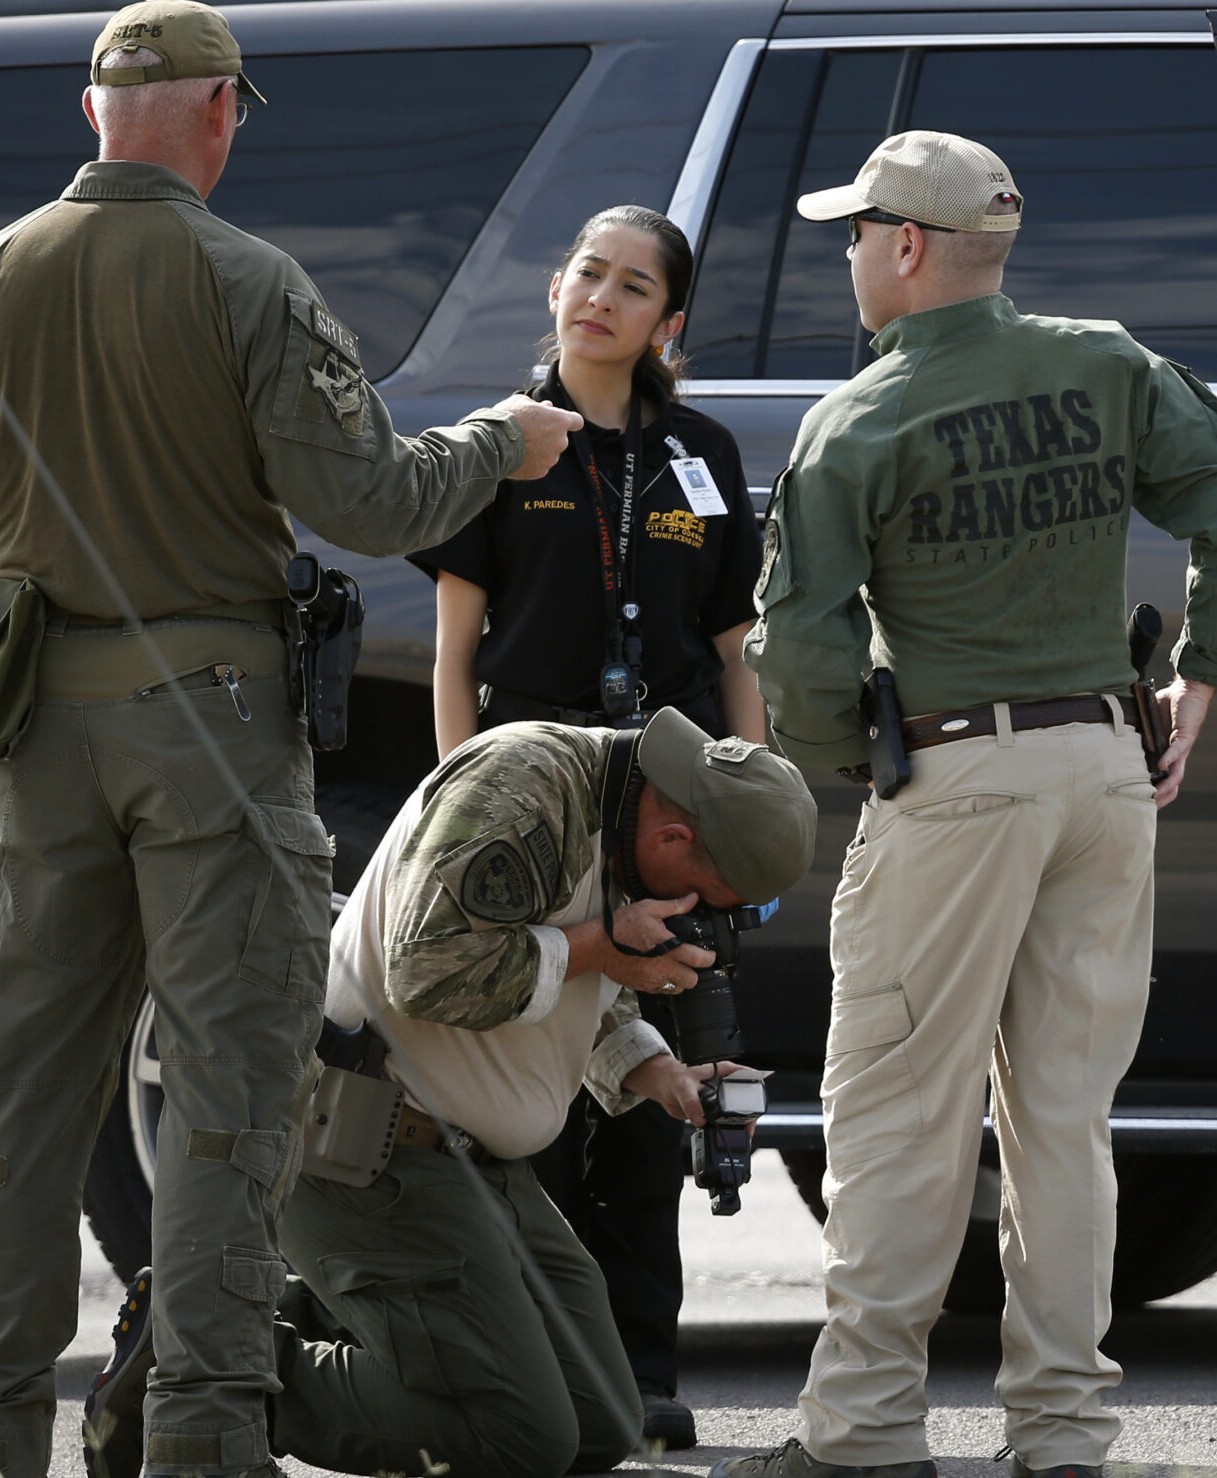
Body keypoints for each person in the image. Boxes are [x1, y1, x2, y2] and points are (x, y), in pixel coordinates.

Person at [0, 2, 581, 1475]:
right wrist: (504, 441)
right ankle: (201, 1431)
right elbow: (374, 500)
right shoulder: (247, 278)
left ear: (91, 111)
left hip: (30, 741)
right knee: (225, 1094)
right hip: (214, 737)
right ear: (219, 114)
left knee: (29, 1094)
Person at [725, 131, 1217, 1478]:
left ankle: (862, 1433)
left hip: (956, 771)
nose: (850, 255)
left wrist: (852, 766)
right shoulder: (1104, 360)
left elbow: (794, 642)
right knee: (1066, 1122)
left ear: (908, 248)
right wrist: (1205, 680)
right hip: (1104, 767)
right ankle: (1062, 1433)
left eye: (858, 233)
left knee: (900, 1113)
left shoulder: (859, 416)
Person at [225, 709, 810, 1478]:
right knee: (521, 1436)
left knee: (602, 1415)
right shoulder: (525, 791)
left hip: (475, 1165)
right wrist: (603, 947)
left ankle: (314, 1314)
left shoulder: (624, 818)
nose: (704, 924)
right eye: (709, 897)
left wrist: (661, 1073)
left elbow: (581, 976)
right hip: (370, 1149)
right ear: (674, 840)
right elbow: (425, 968)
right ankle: (211, 1362)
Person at [409, 202, 765, 1450]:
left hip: (666, 813)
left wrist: (750, 808)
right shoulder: (501, 444)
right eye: (585, 274)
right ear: (555, 288)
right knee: (541, 1097)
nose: (599, 298)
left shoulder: (702, 452)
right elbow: (458, 650)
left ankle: (642, 1370)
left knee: (653, 1096)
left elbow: (732, 653)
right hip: (533, 794)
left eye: (631, 286)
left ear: (667, 321)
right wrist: (462, 810)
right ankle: (548, 1374)